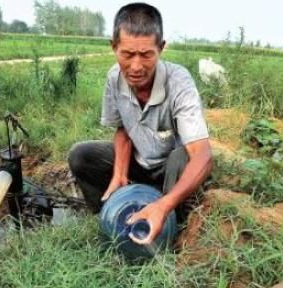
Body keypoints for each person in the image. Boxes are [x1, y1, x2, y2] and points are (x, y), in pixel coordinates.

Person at [68, 2, 212, 245]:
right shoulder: (114, 78)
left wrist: (164, 205)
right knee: (81, 155)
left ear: (161, 48)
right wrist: (119, 174)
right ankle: (108, 216)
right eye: (127, 54)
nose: (135, 66)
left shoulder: (179, 82)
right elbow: (123, 129)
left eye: (146, 55)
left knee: (182, 157)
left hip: (171, 171)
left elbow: (203, 155)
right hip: (141, 163)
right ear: (114, 47)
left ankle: (169, 229)